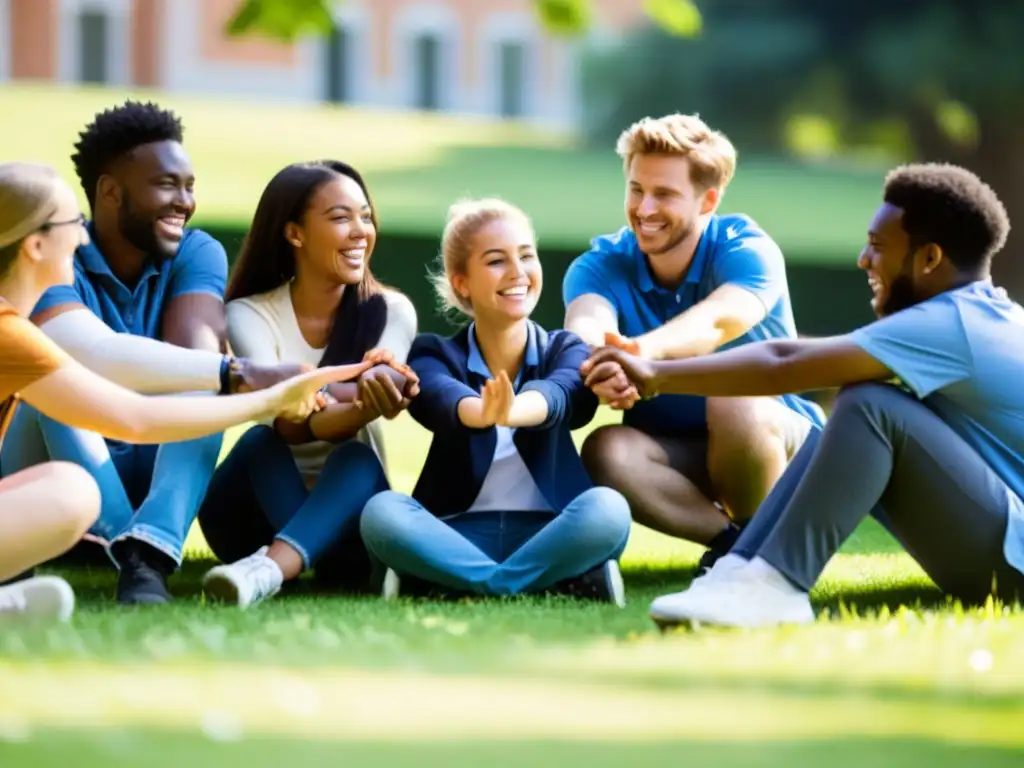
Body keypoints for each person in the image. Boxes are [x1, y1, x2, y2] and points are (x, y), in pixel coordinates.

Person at [582, 162, 1024, 629]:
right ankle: (743, 568)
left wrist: (656, 373)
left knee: (870, 403)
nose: (863, 259)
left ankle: (773, 586)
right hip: (999, 546)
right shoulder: (978, 314)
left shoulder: (949, 324)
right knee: (861, 410)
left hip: (1012, 563)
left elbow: (783, 362)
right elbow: (785, 355)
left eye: (877, 247)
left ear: (930, 259)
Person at [0, 162, 376, 626]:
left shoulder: (17, 330)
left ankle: (140, 553)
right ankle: (131, 556)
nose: (81, 237)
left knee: (72, 491)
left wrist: (255, 388)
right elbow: (129, 412)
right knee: (72, 490)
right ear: (35, 245)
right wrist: (264, 390)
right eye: (71, 223)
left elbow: (131, 412)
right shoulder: (8, 335)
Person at [0, 101, 303, 605]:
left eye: (190, 186)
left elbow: (187, 368)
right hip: (59, 458)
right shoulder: (32, 297)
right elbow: (97, 357)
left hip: (145, 460)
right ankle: (134, 553)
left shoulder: (195, 250)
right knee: (58, 383)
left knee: (202, 378)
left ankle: (149, 548)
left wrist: (237, 378)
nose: (184, 201)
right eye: (167, 185)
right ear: (110, 193)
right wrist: (252, 379)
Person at [562, 112, 825, 571]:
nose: (644, 210)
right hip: (681, 455)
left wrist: (641, 355)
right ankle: (738, 549)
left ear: (707, 201)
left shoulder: (748, 250)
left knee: (733, 397)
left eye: (664, 195)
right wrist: (601, 364)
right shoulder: (600, 263)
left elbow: (717, 324)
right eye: (637, 190)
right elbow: (585, 323)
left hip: (782, 447)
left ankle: (759, 550)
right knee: (606, 450)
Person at [360, 198, 632, 605]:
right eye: (496, 261)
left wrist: (513, 411)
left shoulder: (567, 349)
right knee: (381, 512)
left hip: (551, 530)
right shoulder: (433, 354)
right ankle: (543, 581)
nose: (518, 272)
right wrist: (482, 412)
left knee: (609, 509)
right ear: (461, 283)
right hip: (454, 531)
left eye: (526, 256)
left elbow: (560, 396)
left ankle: (452, 582)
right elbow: (442, 399)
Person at [195, 160, 418, 609]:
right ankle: (300, 557)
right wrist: (362, 398)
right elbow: (288, 422)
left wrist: (377, 385)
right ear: (295, 233)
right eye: (340, 218)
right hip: (252, 512)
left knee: (356, 458)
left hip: (349, 508)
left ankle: (272, 569)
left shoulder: (391, 311)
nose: (360, 231)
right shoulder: (248, 314)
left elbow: (386, 374)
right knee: (261, 442)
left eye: (365, 216)